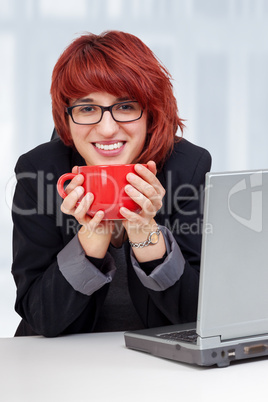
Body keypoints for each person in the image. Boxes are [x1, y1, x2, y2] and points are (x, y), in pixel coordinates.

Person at [11, 31, 211, 337]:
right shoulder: (38, 173)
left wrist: (147, 234)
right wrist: (91, 239)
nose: (106, 129)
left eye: (126, 106)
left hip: (160, 368)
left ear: (151, 114)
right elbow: (41, 319)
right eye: (87, 109)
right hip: (60, 366)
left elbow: (200, 316)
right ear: (66, 118)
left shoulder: (188, 168)